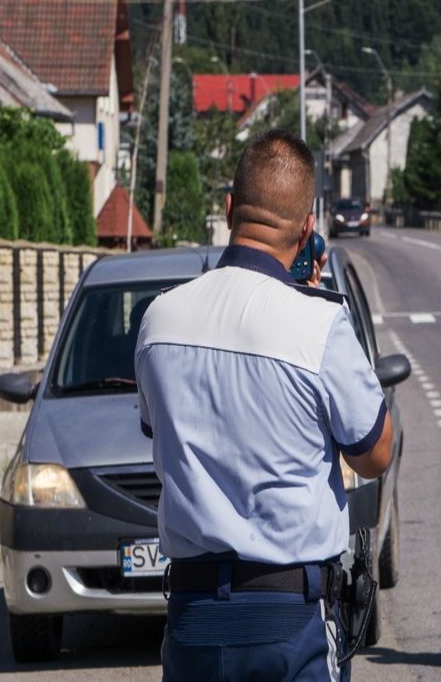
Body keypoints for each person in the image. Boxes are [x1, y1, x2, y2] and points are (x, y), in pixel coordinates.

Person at [135, 129, 393, 682]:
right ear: (307, 229)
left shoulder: (158, 320)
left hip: (193, 614)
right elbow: (376, 454)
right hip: (292, 613)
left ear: (229, 209)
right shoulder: (319, 325)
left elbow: (157, 430)